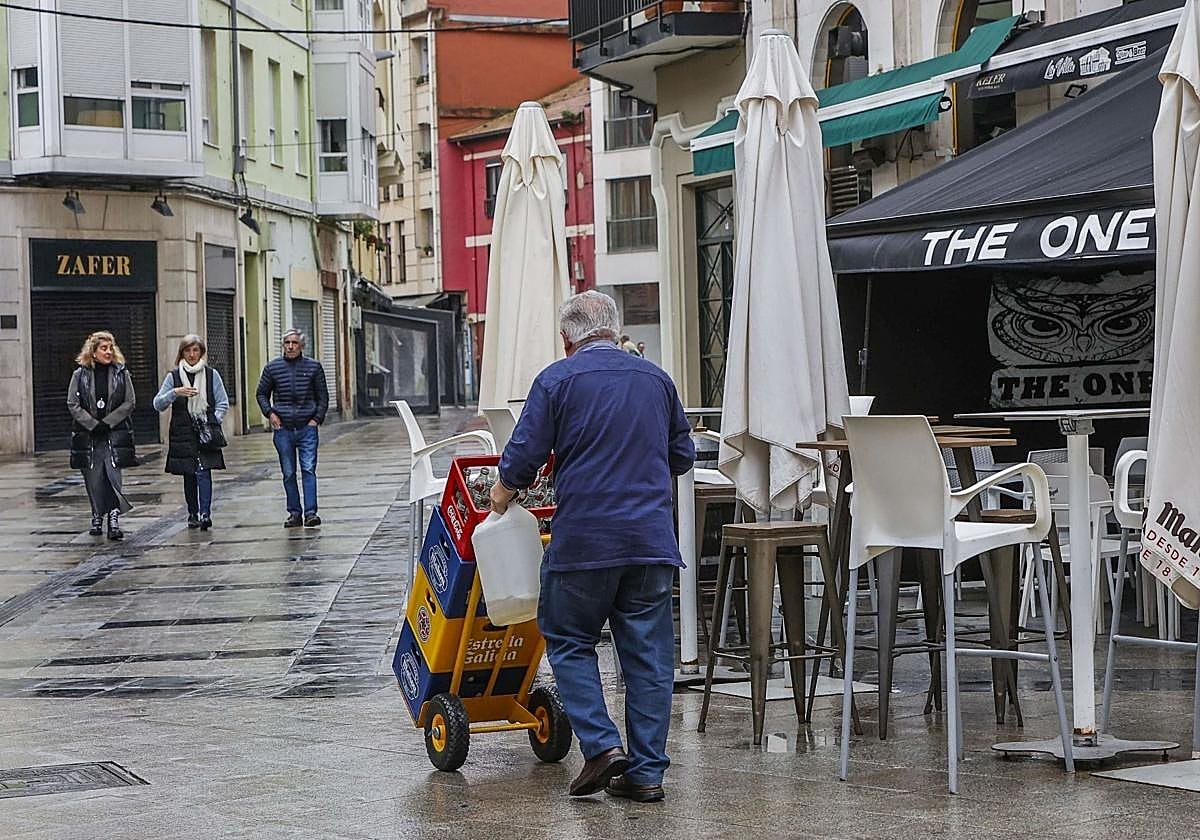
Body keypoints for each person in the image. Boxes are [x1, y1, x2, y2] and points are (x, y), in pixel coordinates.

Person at [490, 290, 695, 803]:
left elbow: (523, 454)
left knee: (568, 637)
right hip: (651, 543)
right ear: (615, 329)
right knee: (648, 659)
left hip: (584, 542)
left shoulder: (556, 380)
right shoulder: (657, 379)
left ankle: (602, 747)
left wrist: (502, 493)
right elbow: (683, 455)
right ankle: (647, 774)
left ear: (567, 338)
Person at [152, 335, 230, 530]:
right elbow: (158, 404)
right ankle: (192, 513)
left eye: (195, 350)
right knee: (189, 474)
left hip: (205, 431)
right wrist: (175, 393)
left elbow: (222, 402)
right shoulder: (174, 376)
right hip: (182, 432)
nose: (192, 354)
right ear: (182, 353)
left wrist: (213, 419)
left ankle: (205, 513)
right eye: (188, 351)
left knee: (204, 471)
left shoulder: (211, 375)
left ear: (201, 352)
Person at [67, 331, 137, 540]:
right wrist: (91, 423)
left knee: (113, 476)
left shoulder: (121, 373)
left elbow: (129, 402)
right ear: (93, 352)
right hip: (88, 436)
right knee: (93, 478)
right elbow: (72, 403)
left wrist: (108, 422)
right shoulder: (80, 375)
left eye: (110, 348)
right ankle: (97, 515)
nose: (108, 352)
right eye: (103, 348)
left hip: (113, 435)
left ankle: (114, 518)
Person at [256, 328, 329, 528]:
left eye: (294, 343)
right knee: (288, 472)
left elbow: (323, 396)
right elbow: (261, 393)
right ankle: (294, 513)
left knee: (308, 469)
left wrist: (316, 419)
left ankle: (311, 513)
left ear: (302, 346)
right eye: (287, 343)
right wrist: (270, 413)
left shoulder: (314, 367)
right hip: (284, 428)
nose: (290, 346)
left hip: (307, 427)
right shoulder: (273, 368)